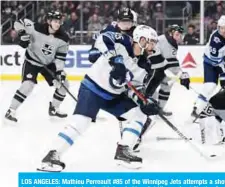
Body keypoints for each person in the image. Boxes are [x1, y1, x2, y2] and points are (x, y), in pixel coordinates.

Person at [37, 25, 161, 171]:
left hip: (114, 97)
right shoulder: (124, 41)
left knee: (139, 113)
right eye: (151, 42)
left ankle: (123, 150)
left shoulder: (145, 65)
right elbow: (103, 38)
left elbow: (134, 88)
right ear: (141, 40)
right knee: (82, 122)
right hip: (93, 88)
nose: (153, 47)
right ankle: (52, 155)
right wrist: (116, 60)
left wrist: (143, 100)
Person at [4, 11, 70, 123]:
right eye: (55, 21)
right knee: (28, 85)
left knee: (64, 84)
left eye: (60, 22)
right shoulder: (35, 27)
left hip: (48, 64)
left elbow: (60, 57)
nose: (58, 24)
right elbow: (19, 23)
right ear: (49, 21)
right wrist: (22, 33)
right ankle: (11, 111)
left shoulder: (64, 38)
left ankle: (54, 108)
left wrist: (59, 72)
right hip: (31, 61)